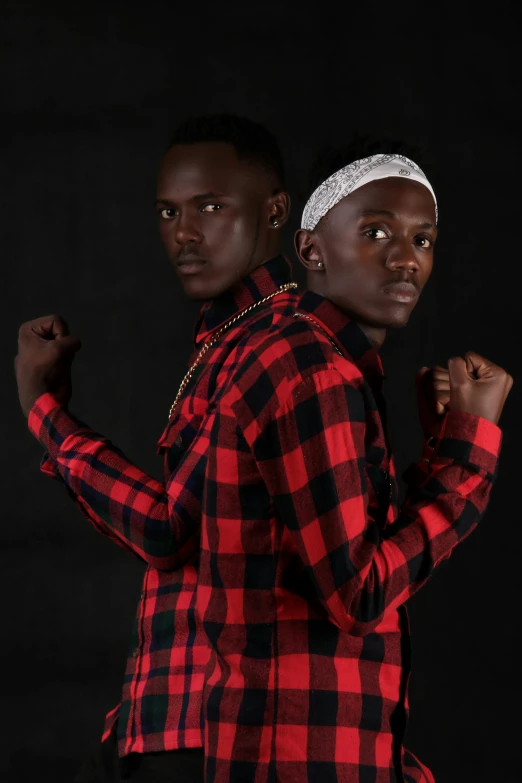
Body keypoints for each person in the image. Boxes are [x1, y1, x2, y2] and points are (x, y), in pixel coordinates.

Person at [194, 140, 513, 781]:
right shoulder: (311, 369)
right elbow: (357, 595)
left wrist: (442, 444)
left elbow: (349, 562)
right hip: (301, 757)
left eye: (424, 240)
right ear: (311, 248)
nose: (406, 259)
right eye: (376, 232)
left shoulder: (318, 359)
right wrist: (469, 449)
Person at [14, 114, 298, 782]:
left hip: (209, 733)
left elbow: (169, 529)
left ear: (276, 211)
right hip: (165, 716)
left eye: (211, 206)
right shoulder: (228, 341)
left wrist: (45, 411)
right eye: (169, 210)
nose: (184, 233)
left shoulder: (271, 348)